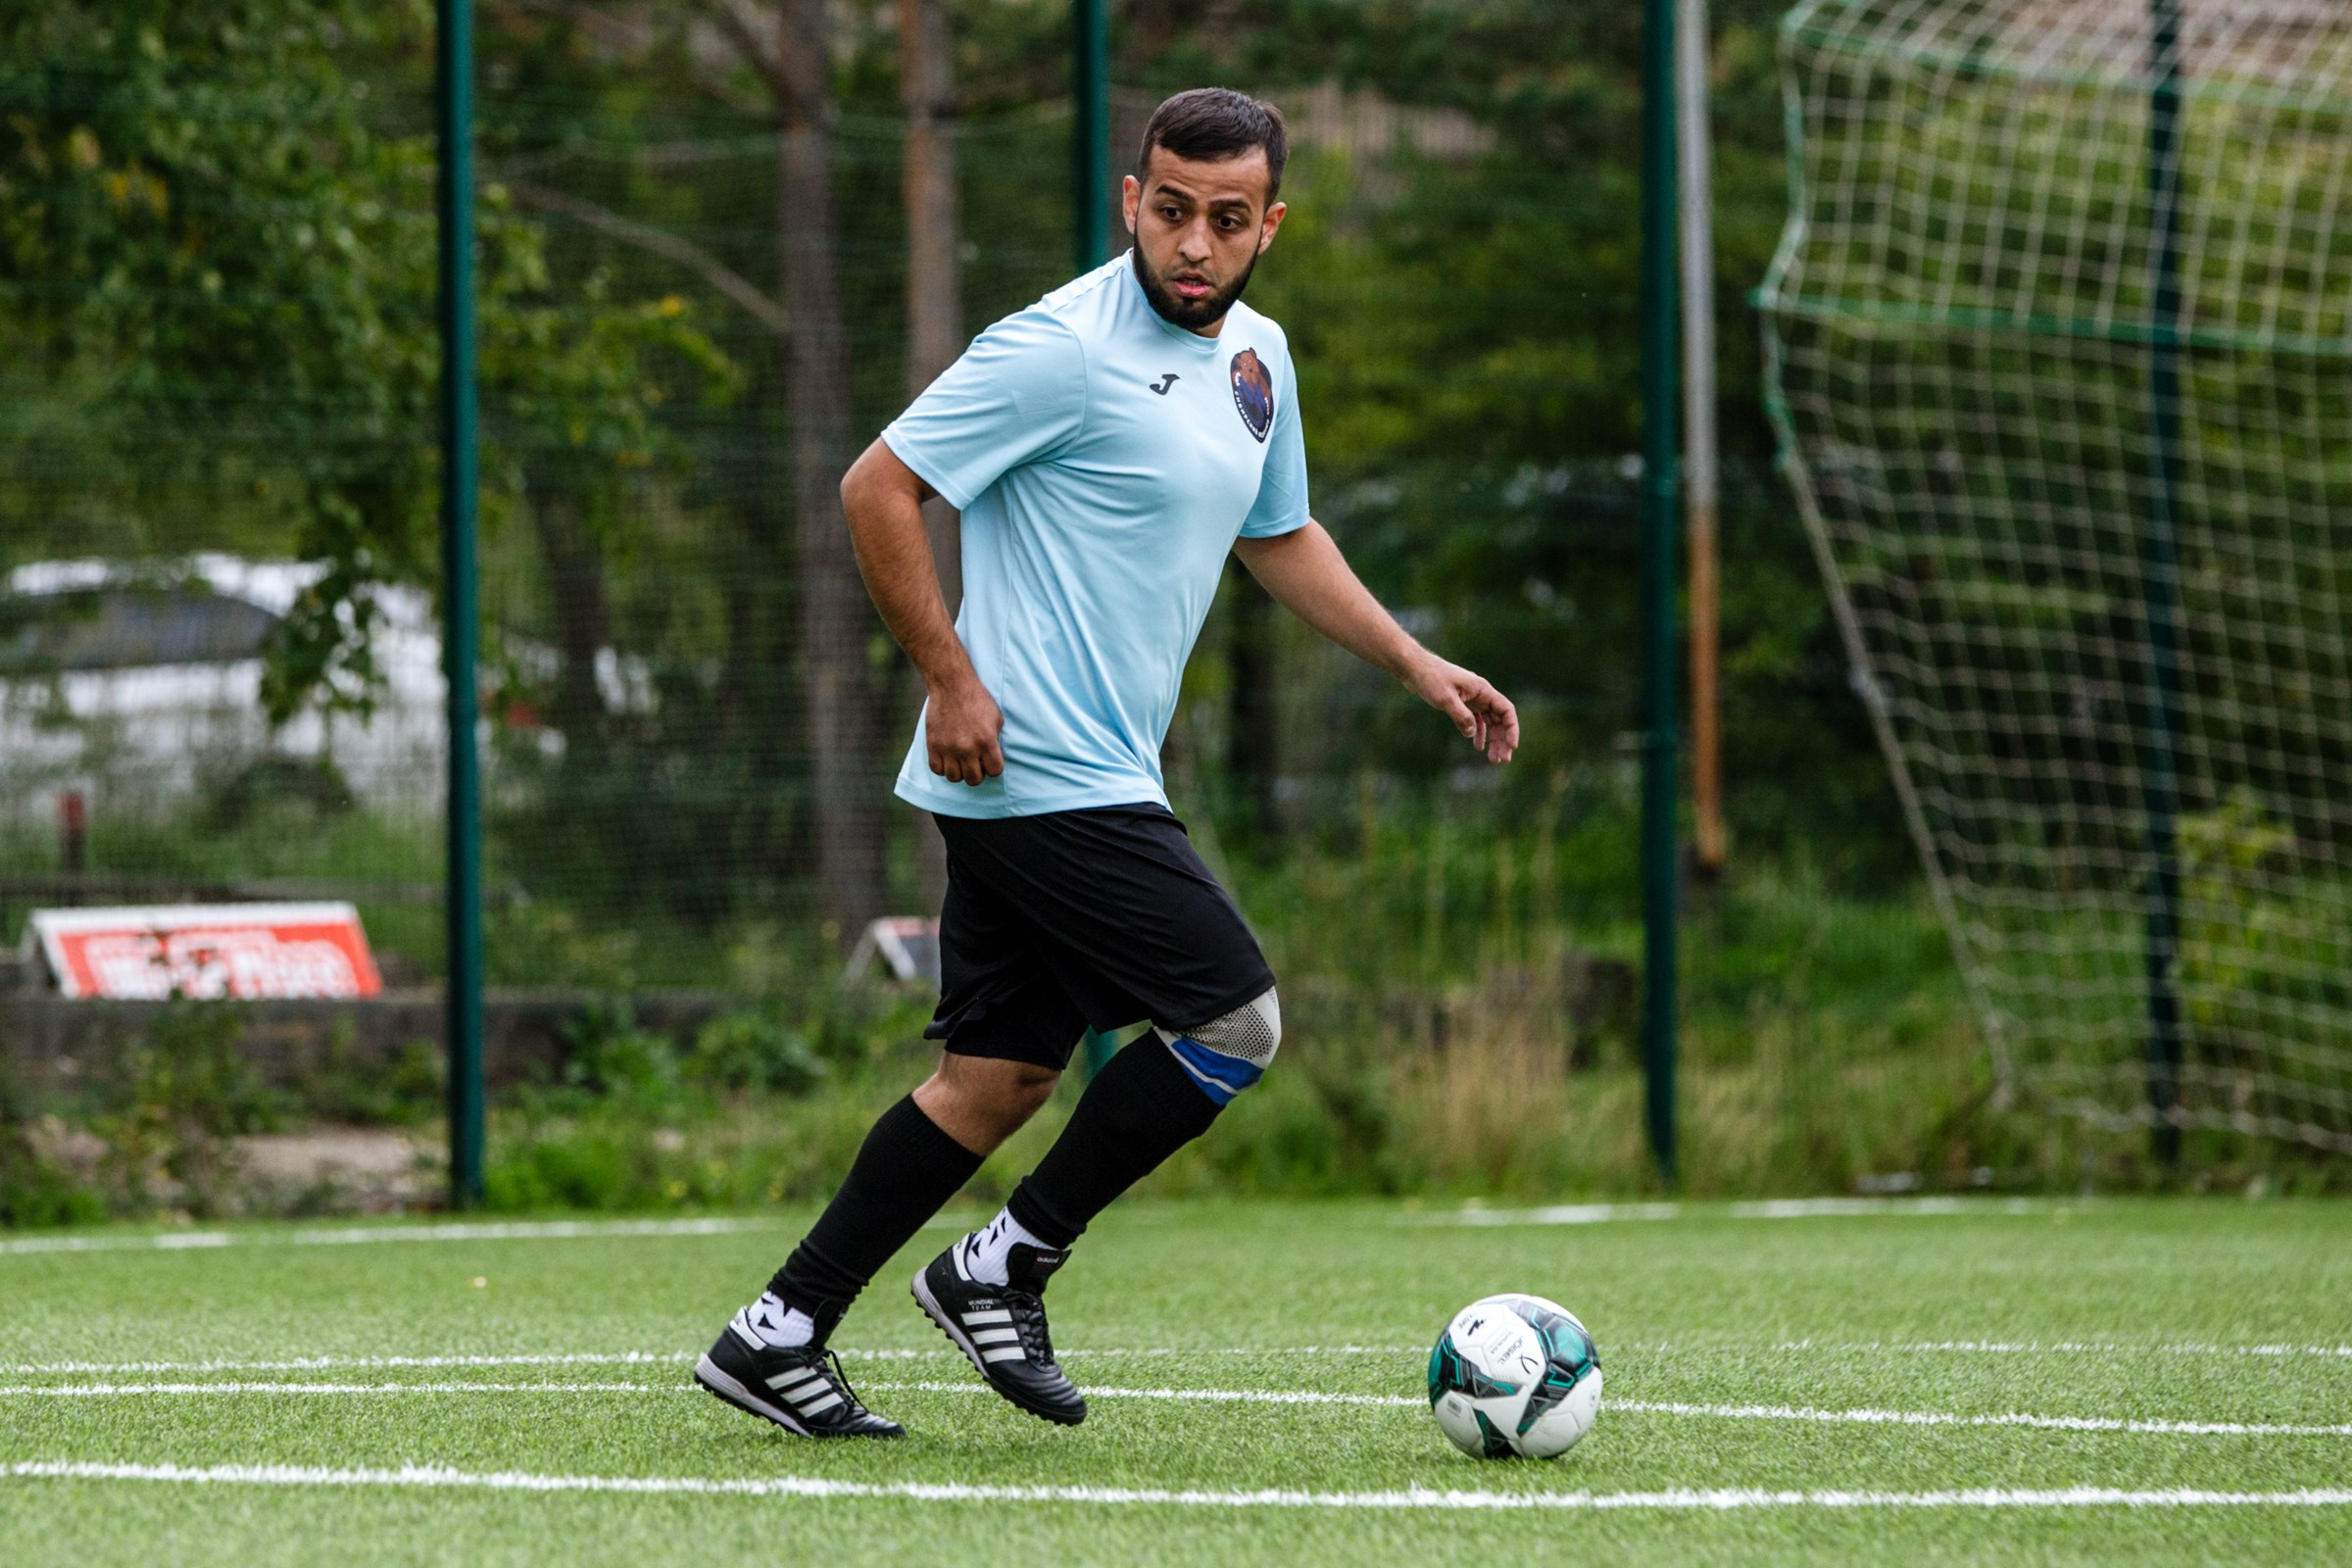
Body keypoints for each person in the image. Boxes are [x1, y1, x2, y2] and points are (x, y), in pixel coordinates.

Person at [695, 86, 1518, 1439]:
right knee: (1233, 1019)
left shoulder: (1259, 363)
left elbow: (1278, 536)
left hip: (1087, 770)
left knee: (998, 1081)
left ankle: (777, 1330)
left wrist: (1416, 664)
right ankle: (1002, 1264)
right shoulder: (1058, 347)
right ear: (1132, 200)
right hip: (1034, 763)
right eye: (1173, 208)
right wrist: (949, 679)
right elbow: (876, 486)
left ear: (1271, 227)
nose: (1195, 242)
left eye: (1228, 219)